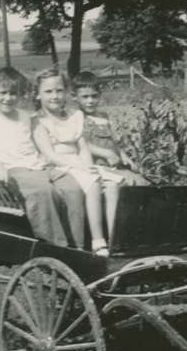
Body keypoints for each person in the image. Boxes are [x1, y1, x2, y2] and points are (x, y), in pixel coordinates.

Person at [0, 67, 85, 248]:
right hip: (15, 170)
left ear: (21, 95)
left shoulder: (27, 117)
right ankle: (57, 247)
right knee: (43, 192)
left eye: (14, 93)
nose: (8, 98)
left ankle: (79, 245)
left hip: (41, 167)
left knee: (73, 188)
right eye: (3, 93)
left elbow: (43, 140)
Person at [32, 68, 122, 257]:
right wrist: (82, 169)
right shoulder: (39, 121)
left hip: (80, 164)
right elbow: (50, 154)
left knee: (113, 184)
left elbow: (82, 146)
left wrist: (89, 166)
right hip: (58, 166)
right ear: (38, 95)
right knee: (93, 182)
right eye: (48, 92)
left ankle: (116, 240)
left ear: (66, 92)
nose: (55, 96)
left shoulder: (74, 116)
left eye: (59, 90)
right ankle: (98, 241)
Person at [71, 71, 146, 186]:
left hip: (113, 164)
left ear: (100, 94)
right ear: (74, 97)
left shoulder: (103, 117)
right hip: (95, 166)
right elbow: (80, 144)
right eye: (85, 97)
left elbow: (113, 142)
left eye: (94, 96)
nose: (90, 101)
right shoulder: (77, 117)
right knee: (131, 182)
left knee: (141, 180)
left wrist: (124, 156)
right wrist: (106, 153)